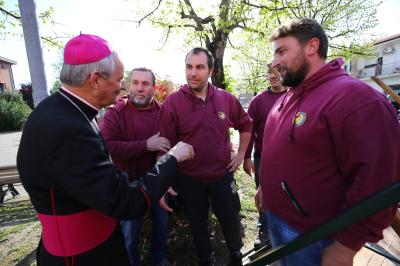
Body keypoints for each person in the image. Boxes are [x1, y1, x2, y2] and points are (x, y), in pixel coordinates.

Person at [17, 34, 194, 266]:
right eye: (121, 79)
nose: (122, 87)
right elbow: (125, 201)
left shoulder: (67, 110)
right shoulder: (66, 128)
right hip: (82, 256)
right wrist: (172, 158)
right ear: (95, 80)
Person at [255, 18, 400, 266]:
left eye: (282, 51)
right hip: (278, 221)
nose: (275, 62)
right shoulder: (287, 96)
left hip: (316, 237)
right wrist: (264, 188)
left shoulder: (357, 99)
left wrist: (345, 247)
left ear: (311, 46)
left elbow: (379, 184)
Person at [157, 47, 252, 266]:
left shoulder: (226, 99)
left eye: (199, 67)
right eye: (189, 67)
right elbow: (163, 145)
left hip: (222, 174)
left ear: (210, 70)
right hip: (189, 178)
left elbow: (246, 124)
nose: (193, 73)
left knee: (230, 218)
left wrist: (240, 154)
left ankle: (236, 254)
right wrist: (164, 179)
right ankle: (205, 259)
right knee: (198, 223)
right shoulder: (173, 102)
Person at [100, 67, 171, 266]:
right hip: (128, 184)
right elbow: (108, 146)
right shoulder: (116, 113)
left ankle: (158, 260)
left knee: (161, 225)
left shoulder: (163, 112)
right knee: (129, 235)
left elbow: (169, 143)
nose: (139, 88)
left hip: (158, 181)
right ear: (129, 86)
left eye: (145, 84)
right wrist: (146, 145)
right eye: (135, 83)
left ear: (154, 88)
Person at [243, 63, 286, 249]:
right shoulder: (258, 101)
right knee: (263, 195)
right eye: (270, 72)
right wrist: (246, 156)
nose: (273, 75)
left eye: (277, 71)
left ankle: (285, 229)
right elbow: (249, 131)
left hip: (289, 157)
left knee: (287, 193)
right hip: (262, 155)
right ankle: (264, 229)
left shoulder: (294, 96)